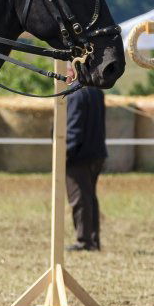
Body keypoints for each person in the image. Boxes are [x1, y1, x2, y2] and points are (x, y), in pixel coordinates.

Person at [64, 65, 106, 252]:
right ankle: (93, 239)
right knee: (90, 199)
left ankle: (84, 241)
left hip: (78, 157)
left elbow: (74, 129)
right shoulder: (96, 91)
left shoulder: (74, 94)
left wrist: (64, 155)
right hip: (96, 153)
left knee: (79, 200)